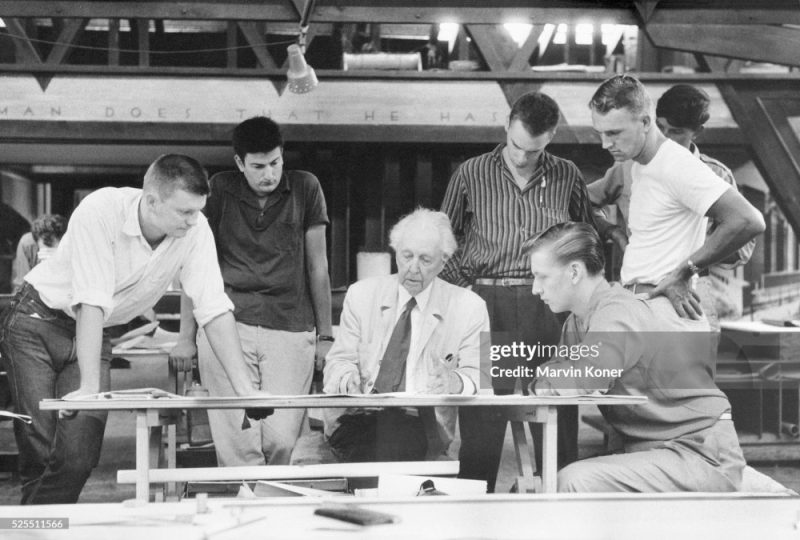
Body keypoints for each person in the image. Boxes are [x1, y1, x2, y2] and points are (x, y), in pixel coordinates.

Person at [0, 154, 267, 505]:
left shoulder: (195, 229)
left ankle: (36, 524)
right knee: (40, 448)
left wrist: (245, 389)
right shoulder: (101, 210)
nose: (193, 220)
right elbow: (91, 300)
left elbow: (214, 309)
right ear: (152, 200)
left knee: (78, 456)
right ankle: (39, 529)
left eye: (198, 211)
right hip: (35, 322)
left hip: (94, 330)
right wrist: (90, 387)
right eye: (184, 212)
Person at [440, 91, 596, 491]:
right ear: (506, 125)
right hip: (487, 303)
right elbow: (445, 239)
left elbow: (585, 239)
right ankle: (472, 511)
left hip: (550, 308)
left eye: (535, 150)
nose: (523, 157)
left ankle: (559, 512)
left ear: (551, 138)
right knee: (482, 422)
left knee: (558, 415)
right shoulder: (471, 173)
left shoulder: (567, 174)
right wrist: (466, 294)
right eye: (516, 146)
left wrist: (581, 303)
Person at [526, 221, 745, 492]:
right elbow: (555, 376)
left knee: (572, 481)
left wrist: (551, 377)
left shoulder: (617, 312)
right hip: (660, 450)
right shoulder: (577, 322)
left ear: (574, 272)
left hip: (700, 451)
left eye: (542, 276)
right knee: (552, 481)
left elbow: (587, 377)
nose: (536, 289)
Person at [172, 116, 333, 467]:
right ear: (239, 164)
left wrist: (326, 335)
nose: (268, 175)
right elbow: (195, 268)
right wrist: (186, 336)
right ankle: (243, 509)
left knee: (282, 442)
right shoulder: (219, 190)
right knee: (237, 445)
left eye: (275, 163)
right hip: (228, 326)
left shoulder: (306, 187)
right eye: (258, 166)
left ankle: (275, 509)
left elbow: (317, 267)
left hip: (290, 326)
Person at [588, 75, 764, 320]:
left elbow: (748, 221)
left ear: (646, 122)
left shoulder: (679, 165)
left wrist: (686, 269)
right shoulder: (638, 163)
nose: (605, 144)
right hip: (640, 298)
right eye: (601, 133)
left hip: (670, 299)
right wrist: (614, 232)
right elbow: (583, 201)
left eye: (614, 132)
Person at [323, 209, 489, 462]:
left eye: (425, 260)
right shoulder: (360, 295)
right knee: (381, 436)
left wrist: (454, 382)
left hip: (423, 425)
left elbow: (484, 375)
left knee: (396, 435)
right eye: (406, 256)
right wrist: (347, 378)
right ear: (395, 252)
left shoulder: (470, 305)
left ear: (444, 261)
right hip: (359, 419)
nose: (412, 268)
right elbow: (338, 361)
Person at [12, 214, 67, 291]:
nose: (50, 250)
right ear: (37, 241)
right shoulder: (27, 244)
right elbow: (21, 288)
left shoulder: (73, 245)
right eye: (48, 243)